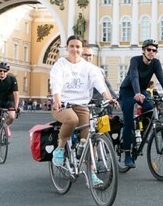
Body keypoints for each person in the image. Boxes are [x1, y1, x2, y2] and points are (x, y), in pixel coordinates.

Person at [50, 35, 116, 188]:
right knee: (72, 120)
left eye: (78, 47)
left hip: (82, 106)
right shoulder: (60, 64)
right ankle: (59, 150)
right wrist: (57, 99)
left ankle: (92, 175)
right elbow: (56, 82)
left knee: (88, 140)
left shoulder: (88, 67)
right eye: (72, 46)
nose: (75, 49)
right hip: (62, 105)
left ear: (81, 49)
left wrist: (108, 97)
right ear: (67, 48)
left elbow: (98, 82)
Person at [118, 39, 163, 169]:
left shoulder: (155, 63)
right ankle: (127, 154)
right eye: (149, 50)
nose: (151, 52)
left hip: (142, 91)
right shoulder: (135, 60)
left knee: (150, 107)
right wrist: (137, 93)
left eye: (154, 50)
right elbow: (134, 76)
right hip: (128, 92)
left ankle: (141, 130)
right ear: (143, 51)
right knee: (128, 122)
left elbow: (162, 79)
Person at [0, 62, 19, 156]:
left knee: (12, 116)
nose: (2, 72)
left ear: (7, 72)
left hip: (9, 101)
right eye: (0, 71)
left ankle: (5, 126)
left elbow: (16, 93)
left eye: (4, 71)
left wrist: (16, 106)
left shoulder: (12, 79)